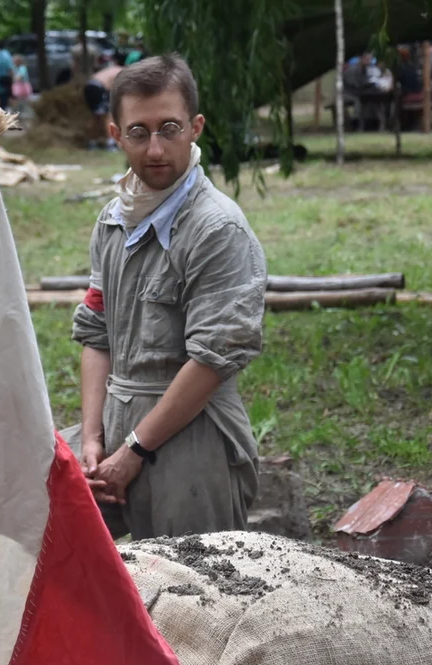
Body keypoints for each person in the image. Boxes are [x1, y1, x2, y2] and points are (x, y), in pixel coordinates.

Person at [69, 53, 267, 541]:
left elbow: (212, 361)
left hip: (191, 440)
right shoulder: (114, 220)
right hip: (114, 430)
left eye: (170, 128)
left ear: (196, 128)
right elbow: (97, 334)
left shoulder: (216, 229)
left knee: (190, 593)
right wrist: (92, 438)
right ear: (115, 134)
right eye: (139, 132)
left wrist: (133, 451)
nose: (155, 148)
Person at [84, 59, 123, 150]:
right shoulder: (121, 71)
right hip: (99, 87)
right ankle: (110, 143)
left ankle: (92, 142)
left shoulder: (110, 69)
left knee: (96, 117)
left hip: (89, 86)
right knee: (108, 116)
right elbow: (115, 89)